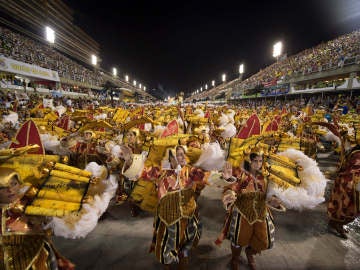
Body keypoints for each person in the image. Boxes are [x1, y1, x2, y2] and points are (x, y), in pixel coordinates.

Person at [122, 145, 209, 269]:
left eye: (181, 154)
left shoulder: (191, 171)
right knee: (166, 246)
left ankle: (183, 256)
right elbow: (142, 172)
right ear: (170, 158)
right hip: (167, 217)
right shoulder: (161, 172)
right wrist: (130, 160)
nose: (179, 157)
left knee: (185, 245)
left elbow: (209, 178)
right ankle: (167, 263)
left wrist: (225, 175)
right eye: (176, 154)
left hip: (187, 216)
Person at [216, 150, 281, 270]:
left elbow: (270, 196)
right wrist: (230, 193)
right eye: (255, 161)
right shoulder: (241, 174)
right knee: (238, 239)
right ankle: (234, 258)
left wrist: (274, 201)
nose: (258, 164)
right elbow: (232, 187)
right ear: (249, 161)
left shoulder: (267, 177)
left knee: (264, 241)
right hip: (242, 213)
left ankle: (249, 254)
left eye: (260, 161)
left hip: (261, 213)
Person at [0, 167, 75, 270]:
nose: (10, 190)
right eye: (3, 187)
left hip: (38, 259)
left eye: (14, 183)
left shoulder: (31, 201)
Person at [327, 144, 360, 239]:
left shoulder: (354, 150)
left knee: (340, 206)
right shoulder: (358, 154)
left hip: (345, 182)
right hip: (349, 184)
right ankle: (338, 225)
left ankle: (335, 223)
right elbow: (353, 172)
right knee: (350, 209)